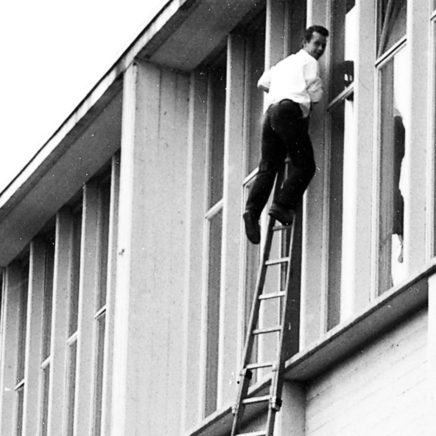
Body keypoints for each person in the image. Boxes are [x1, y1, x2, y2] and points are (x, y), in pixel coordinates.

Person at [243, 25, 329, 244]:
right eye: (316, 43)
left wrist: (281, 91)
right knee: (306, 165)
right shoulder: (310, 63)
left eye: (323, 45)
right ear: (305, 43)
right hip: (289, 112)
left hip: (270, 113)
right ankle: (282, 205)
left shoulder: (283, 64)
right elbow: (314, 96)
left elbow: (262, 82)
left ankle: (252, 211)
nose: (320, 49)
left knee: (268, 168)